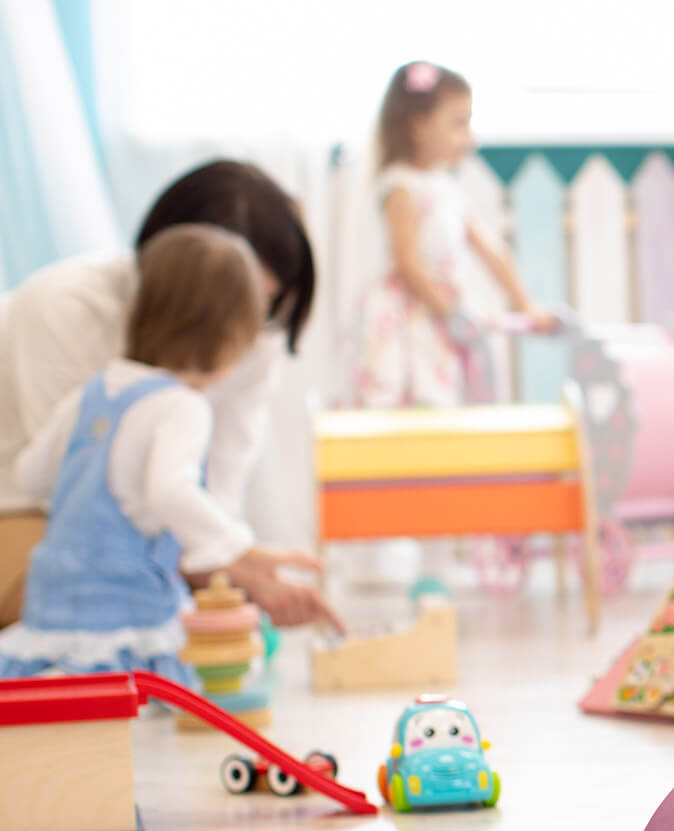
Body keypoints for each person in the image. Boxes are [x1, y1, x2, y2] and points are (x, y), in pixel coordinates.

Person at [0, 160, 338, 632]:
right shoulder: (63, 309)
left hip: (113, 516)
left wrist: (222, 561)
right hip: (24, 508)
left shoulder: (254, 336)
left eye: (264, 309)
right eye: (234, 307)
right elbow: (75, 489)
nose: (246, 335)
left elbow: (219, 481)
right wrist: (226, 553)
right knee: (82, 590)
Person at [356, 60, 551, 408]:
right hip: (414, 318)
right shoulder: (402, 186)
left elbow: (492, 252)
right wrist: (450, 312)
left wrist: (526, 306)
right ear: (418, 126)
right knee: (413, 399)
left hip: (445, 315)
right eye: (459, 124)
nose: (469, 137)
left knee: (450, 398)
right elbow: (407, 263)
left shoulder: (447, 189)